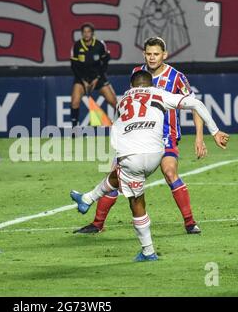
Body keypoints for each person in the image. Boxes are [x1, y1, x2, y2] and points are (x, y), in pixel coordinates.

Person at [71, 70, 229, 261]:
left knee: (136, 202)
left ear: (131, 87)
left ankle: (148, 251)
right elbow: (195, 103)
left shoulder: (122, 101)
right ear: (151, 85)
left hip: (131, 156)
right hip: (156, 154)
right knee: (118, 175)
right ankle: (87, 199)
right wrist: (215, 131)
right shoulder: (159, 93)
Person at [74, 37, 207, 234]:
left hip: (165, 136)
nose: (152, 58)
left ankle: (190, 222)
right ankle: (97, 224)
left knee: (170, 173)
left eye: (156, 54)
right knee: (115, 176)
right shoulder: (138, 73)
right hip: (136, 137)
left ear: (164, 55)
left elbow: (195, 106)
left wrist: (199, 137)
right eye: (149, 54)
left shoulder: (177, 77)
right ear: (144, 54)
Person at [70, 23, 117, 127]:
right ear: (82, 34)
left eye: (89, 32)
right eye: (84, 32)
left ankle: (121, 127)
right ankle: (74, 128)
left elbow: (105, 63)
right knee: (75, 101)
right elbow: (74, 67)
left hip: (98, 77)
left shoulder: (100, 45)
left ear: (92, 33)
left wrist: (98, 78)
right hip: (82, 78)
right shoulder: (77, 46)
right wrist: (83, 80)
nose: (86, 34)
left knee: (114, 102)